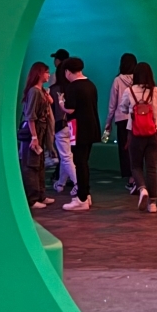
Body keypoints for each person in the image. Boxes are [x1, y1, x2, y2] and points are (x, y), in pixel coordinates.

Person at [122, 64, 157, 212]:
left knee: (135, 165)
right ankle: (152, 203)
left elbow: (122, 108)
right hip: (154, 133)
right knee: (152, 168)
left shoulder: (129, 91)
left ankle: (142, 188)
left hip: (135, 133)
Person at [58, 57, 100, 210]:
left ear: (68, 72)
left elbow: (70, 109)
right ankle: (85, 194)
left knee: (80, 163)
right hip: (92, 128)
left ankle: (81, 199)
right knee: (84, 162)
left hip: (78, 129)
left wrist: (61, 103)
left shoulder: (73, 87)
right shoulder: (91, 85)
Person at [20, 63, 56, 210]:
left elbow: (50, 103)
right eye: (46, 72)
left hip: (41, 130)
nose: (48, 75)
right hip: (34, 131)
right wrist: (34, 137)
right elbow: (31, 116)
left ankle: (40, 194)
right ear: (39, 73)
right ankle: (32, 198)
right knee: (32, 164)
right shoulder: (34, 91)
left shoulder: (41, 91)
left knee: (40, 163)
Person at [107, 53, 138, 193]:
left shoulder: (117, 80)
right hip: (137, 119)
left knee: (125, 150)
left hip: (122, 119)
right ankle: (137, 178)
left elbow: (112, 103)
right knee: (136, 149)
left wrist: (108, 121)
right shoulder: (139, 79)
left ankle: (130, 179)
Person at [50, 70, 77, 200]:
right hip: (73, 125)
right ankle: (60, 183)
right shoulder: (72, 88)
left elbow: (51, 111)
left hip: (60, 125)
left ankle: (78, 183)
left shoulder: (53, 90)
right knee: (67, 156)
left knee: (66, 157)